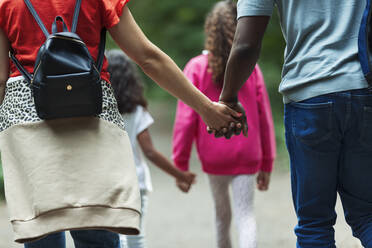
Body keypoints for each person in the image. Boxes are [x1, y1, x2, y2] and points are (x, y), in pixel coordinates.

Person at [0, 0, 244, 247]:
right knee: (97, 225)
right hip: (90, 120)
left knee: (43, 229)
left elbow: (0, 80)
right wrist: (206, 108)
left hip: (29, 126)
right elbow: (148, 58)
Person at [217, 0, 372, 247]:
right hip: (365, 90)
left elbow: (246, 44)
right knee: (367, 216)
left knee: (314, 224)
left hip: (310, 96)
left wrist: (228, 98)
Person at [172, 1, 276, 248]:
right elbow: (264, 117)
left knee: (221, 216)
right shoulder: (251, 69)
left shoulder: (195, 67)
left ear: (209, 31)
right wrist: (267, 161)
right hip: (248, 154)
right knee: (245, 214)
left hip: (214, 156)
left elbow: (185, 120)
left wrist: (180, 163)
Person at [106, 49, 196, 248]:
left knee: (114, 236)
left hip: (108, 182)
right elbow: (150, 152)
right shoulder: (136, 111)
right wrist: (179, 174)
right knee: (136, 237)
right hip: (135, 183)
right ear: (130, 79)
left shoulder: (100, 112)